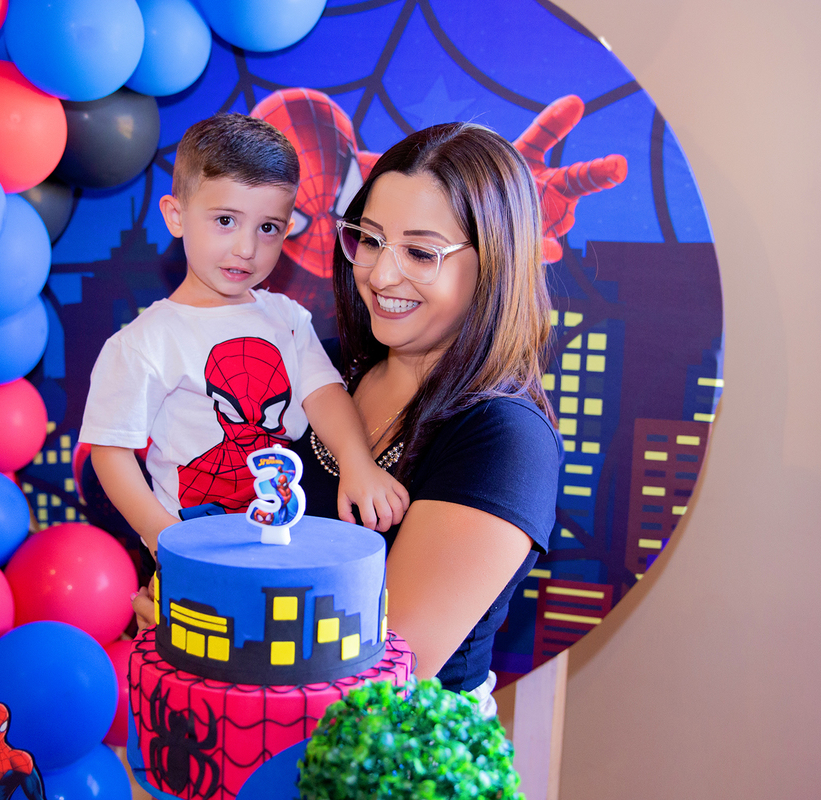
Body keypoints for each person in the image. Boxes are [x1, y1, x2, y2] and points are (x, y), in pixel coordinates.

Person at [294, 122, 562, 712]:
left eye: (420, 252)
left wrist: (215, 635)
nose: (382, 275)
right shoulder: (324, 370)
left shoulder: (504, 439)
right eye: (369, 239)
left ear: (493, 264)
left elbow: (382, 672)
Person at [81, 114, 408, 561]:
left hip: (285, 544)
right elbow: (111, 452)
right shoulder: (143, 343)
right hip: (194, 553)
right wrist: (163, 537)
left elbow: (325, 393)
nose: (246, 248)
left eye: (267, 227)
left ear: (288, 228)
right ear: (176, 216)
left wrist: (357, 464)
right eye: (225, 221)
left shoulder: (287, 318)